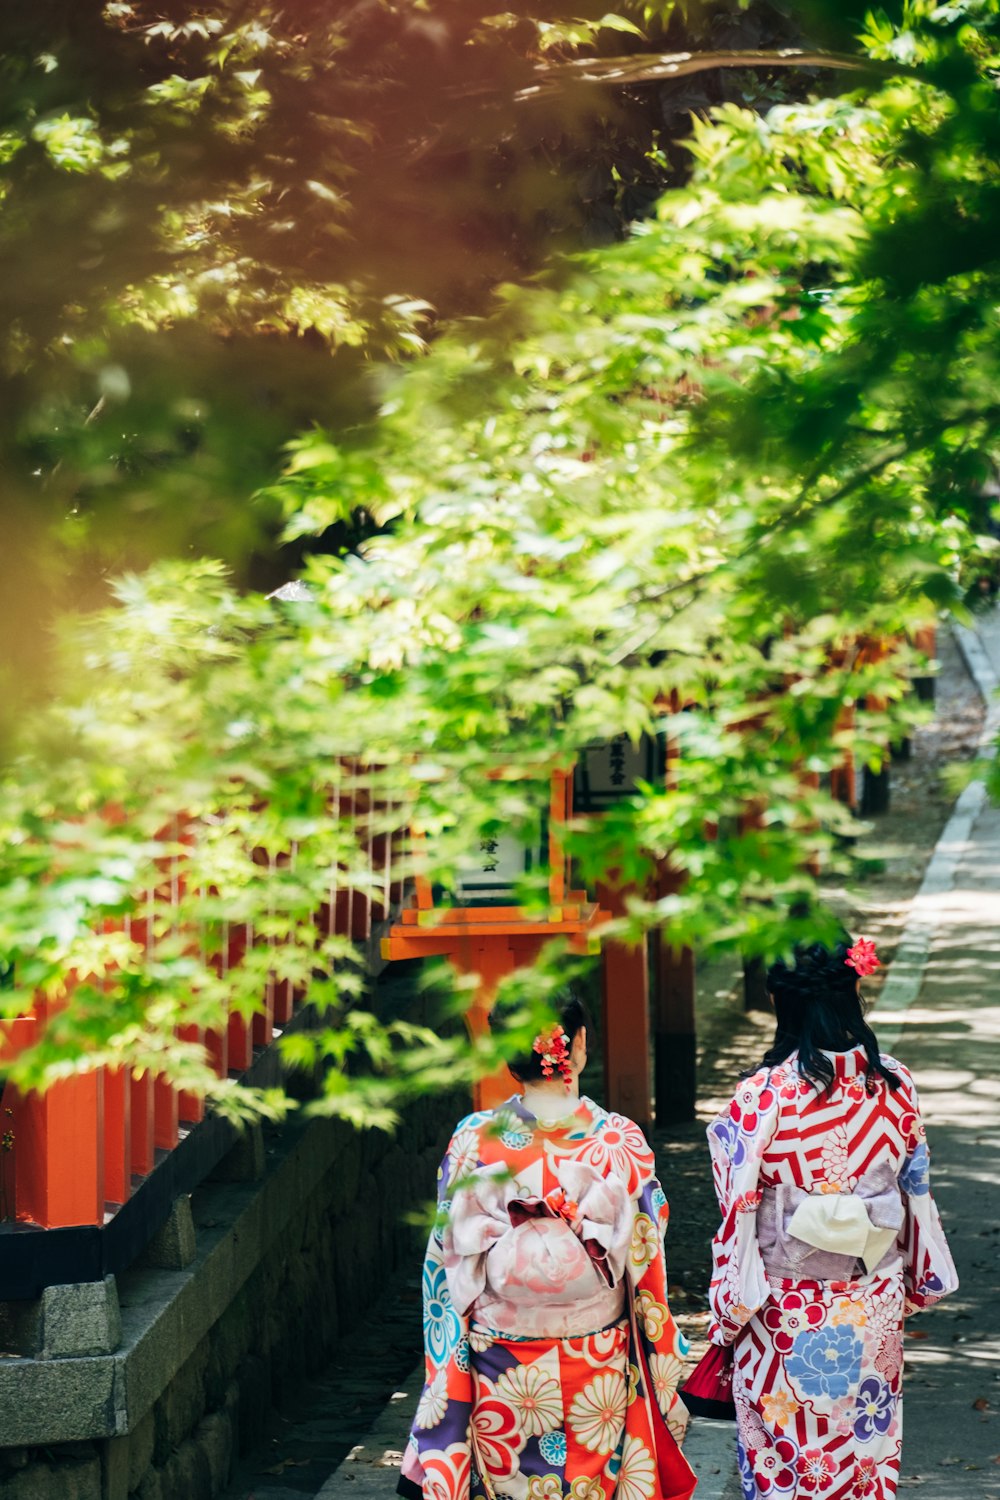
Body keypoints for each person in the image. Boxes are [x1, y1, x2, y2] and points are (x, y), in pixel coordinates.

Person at [399, 994, 696, 1500]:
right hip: (597, 1361)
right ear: (577, 1045)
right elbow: (646, 1256)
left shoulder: (472, 1140)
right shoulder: (620, 1141)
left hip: (501, 1365)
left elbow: (448, 1263)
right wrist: (661, 1353)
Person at [706, 938, 958, 1500]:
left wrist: (728, 1311)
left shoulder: (760, 1096)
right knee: (864, 1460)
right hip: (872, 1304)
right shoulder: (895, 1085)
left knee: (784, 1468)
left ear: (780, 1003)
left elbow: (737, 1212)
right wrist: (918, 1282)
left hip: (783, 1311)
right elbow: (915, 1192)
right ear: (855, 990)